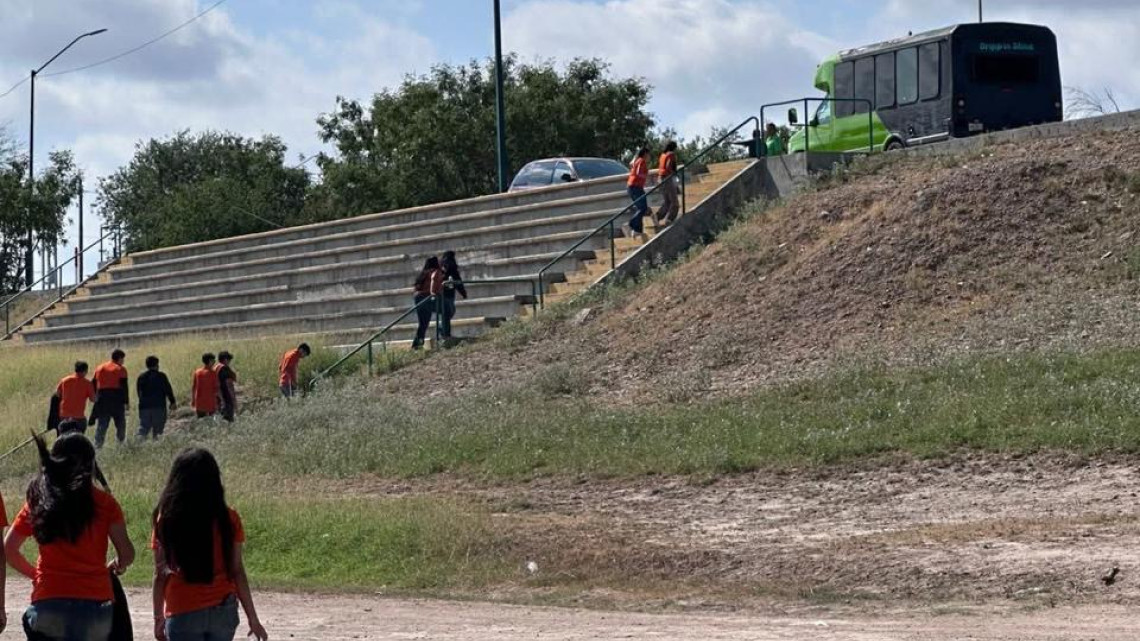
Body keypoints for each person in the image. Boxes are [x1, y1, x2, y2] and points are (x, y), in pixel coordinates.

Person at [4, 432, 135, 641]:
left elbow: (9, 549)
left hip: (49, 601)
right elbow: (127, 553)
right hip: (95, 605)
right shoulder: (106, 504)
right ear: (91, 464)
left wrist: (36, 575)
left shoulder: (39, 502)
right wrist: (118, 564)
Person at [151, 448, 268, 641]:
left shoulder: (167, 519)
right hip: (223, 609)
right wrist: (253, 618)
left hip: (182, 607)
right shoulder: (229, 518)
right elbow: (237, 570)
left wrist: (157, 618)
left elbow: (160, 574)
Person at [91, 350, 130, 449]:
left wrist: (95, 398)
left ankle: (97, 447)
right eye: (123, 359)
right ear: (119, 358)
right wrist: (126, 402)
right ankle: (120, 445)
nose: (123, 361)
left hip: (102, 400)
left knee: (102, 425)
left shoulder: (99, 368)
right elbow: (124, 387)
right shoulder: (121, 369)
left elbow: (93, 384)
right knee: (121, 424)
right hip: (116, 400)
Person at [138, 356, 177, 440]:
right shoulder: (161, 376)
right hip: (158, 407)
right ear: (156, 365)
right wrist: (172, 402)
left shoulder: (141, 377)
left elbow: (139, 393)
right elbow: (168, 390)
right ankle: (155, 446)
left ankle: (137, 445)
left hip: (144, 407)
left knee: (143, 428)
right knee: (158, 431)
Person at [53, 361, 96, 435]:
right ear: (85, 371)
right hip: (78, 418)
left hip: (64, 416)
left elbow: (57, 394)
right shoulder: (87, 383)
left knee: (63, 438)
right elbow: (93, 399)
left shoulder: (64, 380)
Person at [411, 257, 443, 350]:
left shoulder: (423, 273)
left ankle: (418, 344)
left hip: (418, 298)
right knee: (444, 312)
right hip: (425, 298)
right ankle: (417, 344)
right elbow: (434, 286)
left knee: (423, 323)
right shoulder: (433, 273)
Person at [624, 147, 653, 238]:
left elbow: (632, 166)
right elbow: (638, 172)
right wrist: (645, 175)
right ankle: (632, 223)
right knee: (643, 208)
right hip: (635, 187)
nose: (649, 157)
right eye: (649, 154)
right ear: (645, 154)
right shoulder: (641, 161)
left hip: (633, 187)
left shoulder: (637, 160)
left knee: (641, 208)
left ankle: (637, 230)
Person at [439, 251, 467, 341]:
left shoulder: (452, 269)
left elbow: (458, 282)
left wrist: (463, 293)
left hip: (449, 294)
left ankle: (442, 328)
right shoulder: (441, 268)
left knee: (450, 311)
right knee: (447, 313)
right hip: (443, 294)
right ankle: (445, 333)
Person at [656, 141, 681, 227]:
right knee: (675, 203)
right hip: (667, 178)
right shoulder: (671, 154)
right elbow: (670, 166)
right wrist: (675, 173)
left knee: (667, 202)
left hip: (660, 178)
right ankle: (669, 219)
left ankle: (657, 217)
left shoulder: (662, 155)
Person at [191, 354, 220, 419]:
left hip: (199, 403)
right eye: (213, 360)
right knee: (212, 424)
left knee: (201, 422)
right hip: (210, 403)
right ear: (210, 361)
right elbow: (216, 389)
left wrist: (193, 400)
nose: (214, 362)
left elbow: (194, 387)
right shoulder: (213, 373)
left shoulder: (197, 372)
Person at [216, 352, 238, 423]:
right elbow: (229, 386)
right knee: (229, 421)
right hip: (226, 399)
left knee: (221, 420)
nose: (229, 362)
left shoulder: (216, 368)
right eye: (229, 360)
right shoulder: (224, 369)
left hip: (218, 399)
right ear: (225, 360)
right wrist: (234, 401)